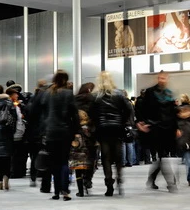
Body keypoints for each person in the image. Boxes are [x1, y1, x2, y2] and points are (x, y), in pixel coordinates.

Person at [89, 71, 131, 196]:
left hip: (102, 129)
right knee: (118, 156)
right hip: (117, 128)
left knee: (106, 158)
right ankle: (119, 180)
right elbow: (128, 109)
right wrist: (122, 121)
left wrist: (97, 123)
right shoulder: (119, 94)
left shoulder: (95, 96)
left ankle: (109, 185)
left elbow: (91, 113)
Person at [41, 69, 81, 201]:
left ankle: (56, 191)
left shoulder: (47, 94)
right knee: (64, 162)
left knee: (54, 163)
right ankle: (65, 191)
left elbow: (44, 114)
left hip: (51, 132)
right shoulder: (68, 94)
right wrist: (76, 131)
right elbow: (74, 115)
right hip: (65, 132)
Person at [137, 70, 178, 193]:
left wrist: (177, 128)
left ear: (167, 79)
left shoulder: (170, 94)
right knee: (163, 156)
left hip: (168, 129)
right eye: (159, 78)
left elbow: (173, 112)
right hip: (155, 128)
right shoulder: (150, 92)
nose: (161, 80)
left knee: (161, 158)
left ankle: (151, 179)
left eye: (163, 78)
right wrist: (142, 123)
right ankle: (171, 183)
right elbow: (142, 109)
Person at [69, 110, 97, 197]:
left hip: (78, 154)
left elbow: (75, 143)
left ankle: (80, 192)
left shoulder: (75, 128)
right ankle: (87, 181)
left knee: (78, 173)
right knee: (88, 170)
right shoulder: (90, 127)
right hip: (89, 153)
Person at [176, 105, 190, 187]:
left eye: (188, 111)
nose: (186, 113)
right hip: (184, 145)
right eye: (183, 111)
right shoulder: (179, 123)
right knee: (189, 162)